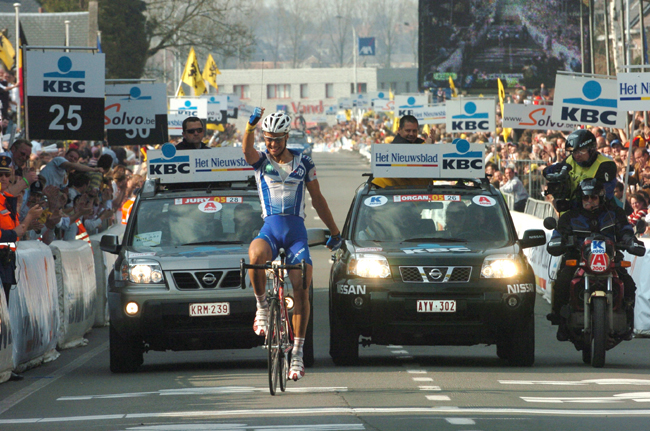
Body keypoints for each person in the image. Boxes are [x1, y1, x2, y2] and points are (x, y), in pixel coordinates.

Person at [242, 108, 342, 381]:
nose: (270, 144)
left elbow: (318, 199)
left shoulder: (303, 162)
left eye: (275, 139)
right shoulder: (260, 160)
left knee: (302, 285)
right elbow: (247, 150)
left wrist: (335, 231)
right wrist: (250, 127)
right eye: (267, 138)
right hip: (271, 230)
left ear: (286, 137)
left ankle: (296, 354)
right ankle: (262, 307)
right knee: (254, 254)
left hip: (296, 233)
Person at [547, 179, 644, 341]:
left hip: (609, 258)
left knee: (628, 284)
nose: (590, 201)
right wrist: (557, 241)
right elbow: (560, 232)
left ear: (601, 198)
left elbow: (625, 230)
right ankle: (561, 320)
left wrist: (631, 241)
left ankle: (627, 322)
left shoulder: (614, 214)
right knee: (563, 281)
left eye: (593, 198)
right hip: (578, 257)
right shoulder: (570, 217)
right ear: (581, 199)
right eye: (586, 198)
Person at [543, 129, 617, 212]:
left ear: (591, 149)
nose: (577, 155)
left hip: (597, 213)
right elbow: (552, 169)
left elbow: (605, 194)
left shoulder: (606, 165)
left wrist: (573, 204)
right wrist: (549, 172)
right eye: (574, 151)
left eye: (581, 151)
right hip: (570, 215)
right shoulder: (570, 160)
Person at [39, 148, 104, 188]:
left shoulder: (65, 178)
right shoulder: (58, 159)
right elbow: (72, 165)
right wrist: (95, 169)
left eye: (75, 159)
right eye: (71, 156)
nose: (72, 159)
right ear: (65, 155)